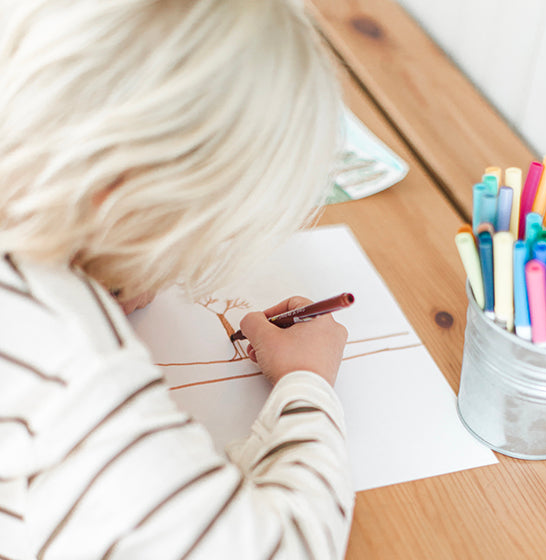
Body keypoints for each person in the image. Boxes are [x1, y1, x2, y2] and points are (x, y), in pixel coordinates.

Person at [0, 1, 354, 558]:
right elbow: (282, 549)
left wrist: (96, 263)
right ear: (122, 198)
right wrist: (307, 384)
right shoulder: (69, 366)